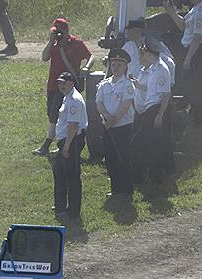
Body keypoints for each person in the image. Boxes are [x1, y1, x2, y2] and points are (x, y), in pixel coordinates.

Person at [33, 18, 91, 156]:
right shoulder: (54, 44)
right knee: (52, 114)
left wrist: (86, 67)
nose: (57, 34)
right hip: (53, 84)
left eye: (59, 32)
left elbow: (90, 56)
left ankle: (47, 144)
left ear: (66, 31)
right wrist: (50, 42)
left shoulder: (76, 43)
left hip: (67, 85)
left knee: (56, 115)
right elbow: (45, 57)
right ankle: (61, 142)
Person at [165, 0, 202, 123]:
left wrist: (188, 58)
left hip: (195, 51)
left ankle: (198, 118)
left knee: (194, 85)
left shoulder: (201, 11)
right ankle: (191, 113)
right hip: (190, 49)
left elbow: (197, 37)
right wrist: (172, 13)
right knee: (189, 83)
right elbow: (184, 27)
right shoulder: (196, 8)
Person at [130, 45, 174, 192]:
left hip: (155, 109)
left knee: (142, 143)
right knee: (150, 144)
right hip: (151, 108)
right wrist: (140, 86)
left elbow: (166, 94)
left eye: (145, 52)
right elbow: (151, 89)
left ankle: (154, 177)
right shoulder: (154, 69)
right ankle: (152, 176)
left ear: (149, 53)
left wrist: (160, 115)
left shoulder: (161, 69)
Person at [95, 49, 136, 201]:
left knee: (123, 157)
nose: (116, 68)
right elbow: (98, 103)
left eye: (119, 65)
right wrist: (106, 117)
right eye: (113, 64)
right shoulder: (104, 84)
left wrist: (114, 119)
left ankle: (127, 190)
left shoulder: (127, 85)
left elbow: (126, 104)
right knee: (110, 158)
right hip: (107, 125)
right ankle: (115, 189)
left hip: (123, 126)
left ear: (125, 67)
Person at [50, 71, 88, 221]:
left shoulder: (74, 100)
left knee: (72, 176)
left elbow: (73, 125)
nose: (61, 86)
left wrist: (66, 147)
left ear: (72, 83)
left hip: (71, 141)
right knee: (59, 172)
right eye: (59, 83)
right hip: (66, 141)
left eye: (63, 83)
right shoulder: (68, 97)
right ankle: (60, 207)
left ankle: (73, 211)